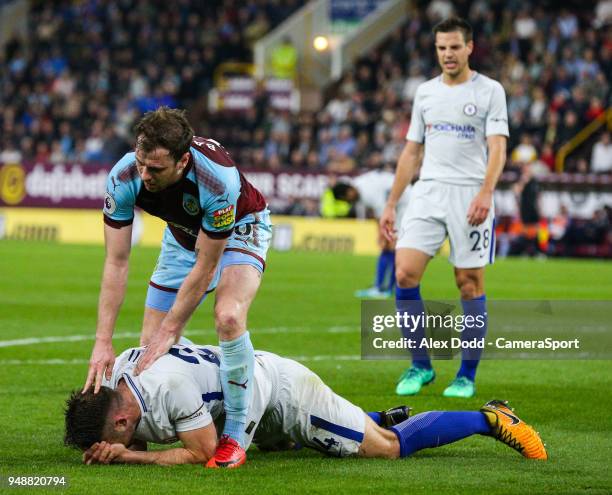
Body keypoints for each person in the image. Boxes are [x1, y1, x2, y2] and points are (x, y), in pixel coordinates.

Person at [83, 107, 273, 468]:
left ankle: (234, 433)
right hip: (181, 237)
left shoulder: (218, 181)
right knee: (147, 347)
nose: (145, 175)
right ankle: (141, 436)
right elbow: (116, 262)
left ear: (183, 161)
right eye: (141, 163)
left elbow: (207, 266)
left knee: (229, 317)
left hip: (240, 229)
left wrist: (173, 329)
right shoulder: (124, 175)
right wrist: (102, 341)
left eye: (155, 169)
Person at [65, 342, 547, 465]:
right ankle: (370, 416)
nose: (118, 445)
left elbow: (204, 452)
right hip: (248, 399)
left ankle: (489, 419)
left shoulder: (169, 391)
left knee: (386, 449)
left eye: (117, 436)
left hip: (282, 392)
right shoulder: (124, 369)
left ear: (123, 419)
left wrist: (129, 456)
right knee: (291, 449)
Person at [380, 17, 509, 398]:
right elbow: (412, 150)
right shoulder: (425, 93)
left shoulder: (490, 90)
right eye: (441, 48)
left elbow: (498, 146)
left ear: (470, 47)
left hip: (469, 192)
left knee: (468, 283)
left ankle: (466, 375)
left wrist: (486, 192)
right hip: (428, 191)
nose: (448, 54)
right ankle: (421, 366)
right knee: (404, 274)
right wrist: (391, 202)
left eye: (454, 47)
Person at [353, 165, 412, 299]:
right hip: (397, 204)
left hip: (403, 205)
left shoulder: (367, 191)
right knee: (389, 247)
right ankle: (383, 287)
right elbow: (377, 213)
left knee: (391, 247)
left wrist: (382, 234)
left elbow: (381, 211)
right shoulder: (363, 187)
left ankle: (384, 288)